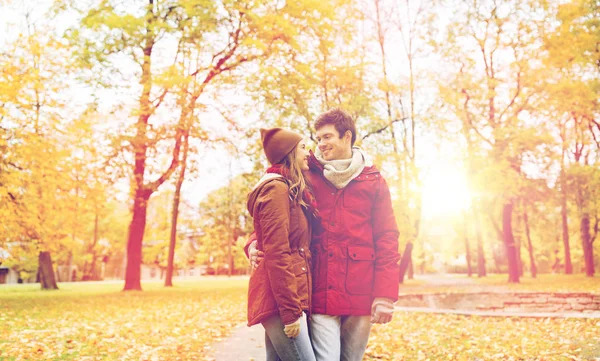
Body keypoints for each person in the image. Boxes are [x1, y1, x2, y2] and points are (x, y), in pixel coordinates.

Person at [249, 109, 400, 361]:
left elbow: (387, 236)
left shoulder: (373, 180)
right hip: (319, 291)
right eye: (318, 138)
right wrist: (253, 242)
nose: (320, 144)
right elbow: (272, 214)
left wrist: (385, 295)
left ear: (347, 136)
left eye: (327, 137)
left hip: (361, 289)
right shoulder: (307, 172)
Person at [247, 127, 318, 361]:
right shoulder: (276, 189)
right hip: (280, 302)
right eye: (302, 148)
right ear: (288, 154)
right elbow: (277, 252)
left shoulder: (291, 189)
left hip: (287, 297)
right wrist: (290, 313)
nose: (308, 152)